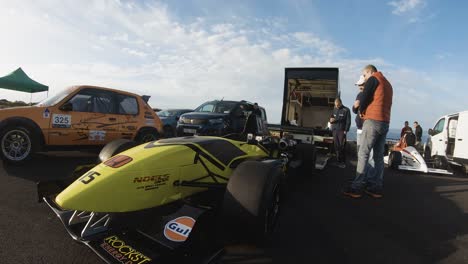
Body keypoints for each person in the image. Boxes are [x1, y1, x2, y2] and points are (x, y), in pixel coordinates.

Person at [344, 65, 393, 199]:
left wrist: (360, 111)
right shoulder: (388, 84)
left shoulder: (374, 78)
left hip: (372, 121)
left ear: (369, 72)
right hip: (385, 122)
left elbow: (364, 97)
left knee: (363, 153)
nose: (364, 79)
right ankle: (375, 187)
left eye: (364, 75)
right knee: (378, 156)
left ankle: (356, 187)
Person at [330, 98, 351, 168]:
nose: (336, 107)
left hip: (342, 131)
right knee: (336, 146)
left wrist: (346, 130)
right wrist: (331, 120)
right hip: (334, 130)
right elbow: (331, 118)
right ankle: (338, 161)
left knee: (342, 146)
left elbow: (348, 121)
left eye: (338, 105)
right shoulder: (334, 109)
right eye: (335, 105)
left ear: (340, 103)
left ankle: (343, 162)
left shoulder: (346, 110)